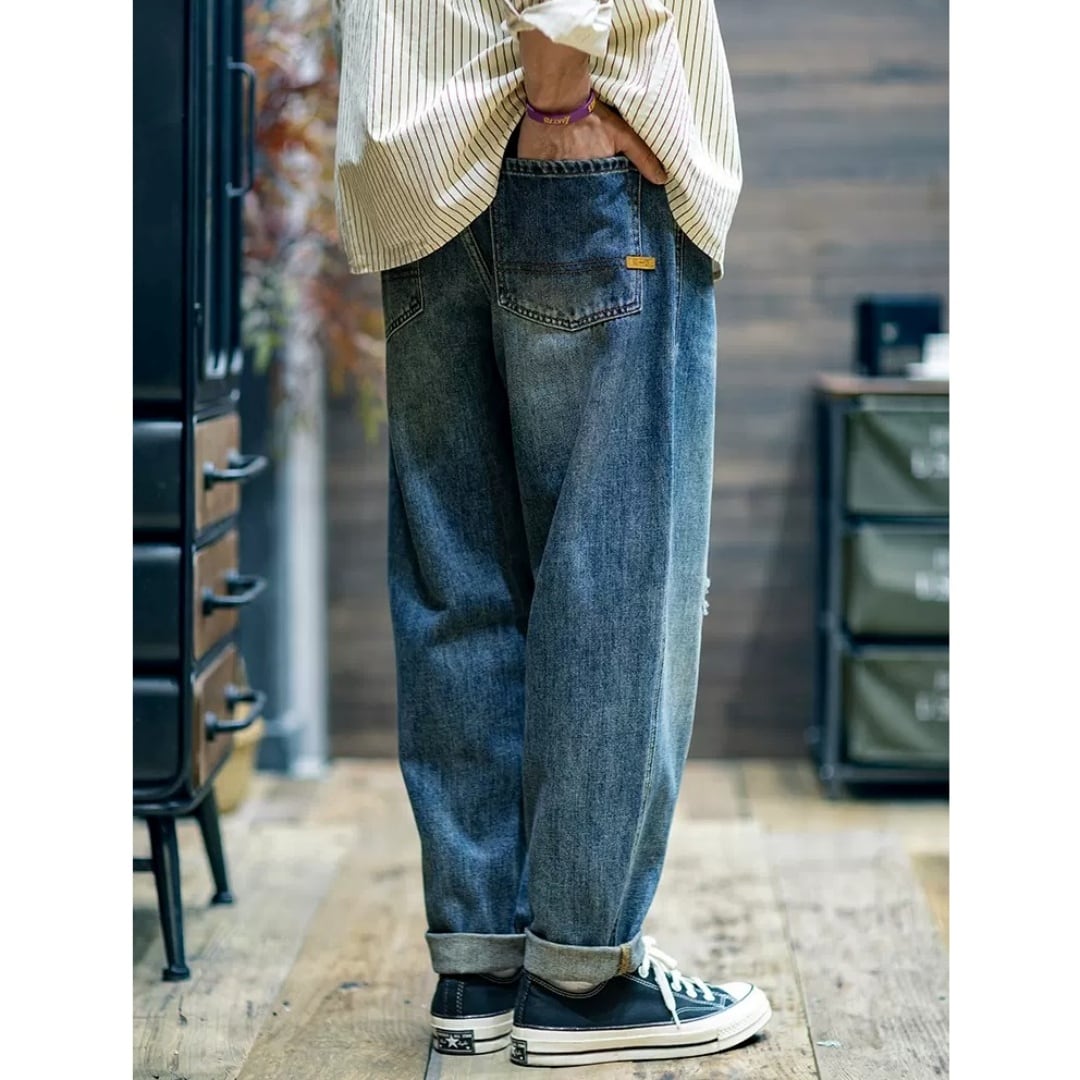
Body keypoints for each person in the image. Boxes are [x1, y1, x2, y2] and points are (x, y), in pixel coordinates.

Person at [333, 0, 771, 1067]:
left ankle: (478, 960)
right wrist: (561, 91)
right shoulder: (558, 104)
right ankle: (582, 976)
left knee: (458, 576)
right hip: (569, 137)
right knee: (613, 575)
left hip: (418, 169)